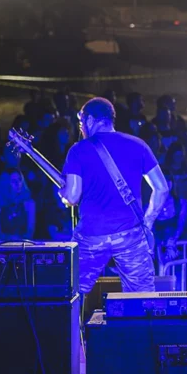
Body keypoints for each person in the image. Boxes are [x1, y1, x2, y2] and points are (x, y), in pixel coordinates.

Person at [60, 97, 169, 295]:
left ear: (91, 120)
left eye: (81, 122)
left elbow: (73, 197)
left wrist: (64, 195)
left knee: (72, 293)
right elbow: (161, 188)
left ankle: (76, 326)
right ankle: (138, 325)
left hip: (92, 235)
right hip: (130, 235)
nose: (81, 128)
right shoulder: (138, 145)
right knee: (141, 296)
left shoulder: (78, 150)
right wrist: (148, 221)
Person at [0, 170, 35, 241]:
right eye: (13, 181)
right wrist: (11, 239)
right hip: (2, 247)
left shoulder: (29, 203)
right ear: (5, 184)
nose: (18, 184)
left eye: (20, 180)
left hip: (24, 245)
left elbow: (30, 232)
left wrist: (20, 240)